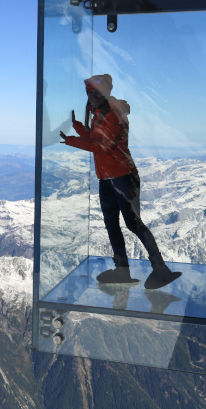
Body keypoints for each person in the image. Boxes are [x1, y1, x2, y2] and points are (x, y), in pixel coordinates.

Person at [59, 74, 181, 290]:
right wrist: (78, 128)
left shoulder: (114, 114)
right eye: (90, 93)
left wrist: (72, 140)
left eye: (97, 92)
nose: (93, 96)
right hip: (107, 178)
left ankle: (160, 269)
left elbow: (104, 145)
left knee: (133, 224)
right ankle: (122, 270)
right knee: (111, 224)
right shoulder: (100, 114)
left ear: (106, 93)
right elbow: (96, 138)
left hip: (123, 177)